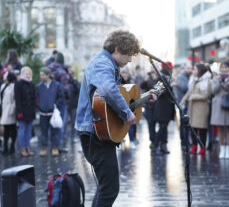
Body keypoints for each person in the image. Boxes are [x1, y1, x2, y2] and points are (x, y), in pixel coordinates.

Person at [75, 29, 156, 207]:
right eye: (128, 55)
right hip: (95, 134)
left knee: (106, 188)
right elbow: (108, 90)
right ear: (117, 49)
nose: (130, 60)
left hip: (100, 132)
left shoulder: (107, 63)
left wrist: (144, 96)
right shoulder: (102, 63)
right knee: (109, 189)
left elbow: (117, 97)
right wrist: (127, 113)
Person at [181, 63, 211, 155]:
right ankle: (194, 146)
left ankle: (202, 147)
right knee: (192, 128)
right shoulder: (193, 80)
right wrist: (182, 102)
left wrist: (194, 96)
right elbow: (189, 92)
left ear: (200, 71)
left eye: (195, 69)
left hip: (201, 109)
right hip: (192, 108)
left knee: (202, 129)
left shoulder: (207, 82)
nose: (194, 71)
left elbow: (206, 95)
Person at [210, 61, 229, 159]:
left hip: (228, 104)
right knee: (220, 128)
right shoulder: (215, 78)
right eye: (222, 67)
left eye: (226, 67)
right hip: (218, 105)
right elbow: (213, 91)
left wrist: (227, 84)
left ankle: (228, 149)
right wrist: (220, 81)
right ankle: (222, 149)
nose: (224, 69)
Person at [36, 67, 64, 156]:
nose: (41, 76)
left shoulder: (57, 85)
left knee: (54, 131)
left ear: (48, 75)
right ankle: (44, 148)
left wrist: (55, 105)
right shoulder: (39, 86)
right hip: (42, 113)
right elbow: (36, 99)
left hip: (53, 114)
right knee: (43, 131)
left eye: (43, 75)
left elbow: (61, 97)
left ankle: (55, 148)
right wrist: (40, 106)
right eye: (40, 75)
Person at [153, 61, 175, 155]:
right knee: (162, 127)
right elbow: (158, 91)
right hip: (162, 106)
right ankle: (155, 146)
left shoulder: (167, 77)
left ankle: (163, 146)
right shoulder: (160, 77)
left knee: (165, 127)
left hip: (168, 106)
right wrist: (170, 86)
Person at [48, 52, 69, 152]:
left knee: (51, 122)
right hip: (61, 101)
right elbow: (65, 88)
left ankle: (52, 144)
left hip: (49, 101)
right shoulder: (62, 72)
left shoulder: (49, 68)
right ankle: (58, 146)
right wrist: (67, 98)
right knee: (59, 123)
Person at [15, 67, 36, 157]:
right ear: (22, 74)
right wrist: (19, 112)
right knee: (22, 130)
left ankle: (28, 147)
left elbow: (33, 98)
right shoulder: (18, 83)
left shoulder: (31, 84)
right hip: (22, 111)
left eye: (29, 73)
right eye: (25, 73)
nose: (27, 75)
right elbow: (17, 99)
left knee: (28, 131)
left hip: (30, 111)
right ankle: (22, 148)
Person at [172, 63, 192, 149]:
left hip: (187, 103)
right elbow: (184, 87)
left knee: (186, 123)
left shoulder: (188, 77)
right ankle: (184, 141)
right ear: (184, 69)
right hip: (182, 103)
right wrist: (191, 84)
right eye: (188, 68)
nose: (189, 70)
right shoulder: (181, 77)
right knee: (183, 123)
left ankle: (186, 140)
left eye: (190, 68)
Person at [0, 72, 17, 155]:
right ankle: (5, 147)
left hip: (10, 110)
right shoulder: (3, 86)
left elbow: (14, 100)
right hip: (4, 109)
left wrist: (12, 110)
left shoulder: (13, 86)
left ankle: (12, 146)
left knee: (12, 128)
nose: (4, 76)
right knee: (6, 129)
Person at [65, 69, 81, 142]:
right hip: (65, 105)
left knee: (73, 122)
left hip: (74, 105)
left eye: (71, 74)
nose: (69, 76)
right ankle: (64, 137)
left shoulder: (75, 82)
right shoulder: (64, 82)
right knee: (64, 122)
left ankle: (73, 136)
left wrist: (74, 81)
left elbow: (79, 89)